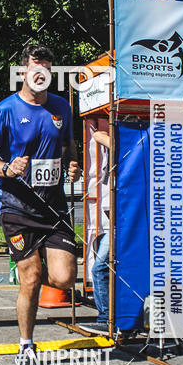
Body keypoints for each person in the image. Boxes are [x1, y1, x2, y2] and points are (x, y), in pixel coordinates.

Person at [0, 43, 81, 365]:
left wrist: (73, 163)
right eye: (36, 69)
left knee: (64, 278)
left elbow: (69, 145)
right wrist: (6, 168)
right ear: (23, 72)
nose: (41, 75)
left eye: (47, 70)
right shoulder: (5, 110)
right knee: (32, 279)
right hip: (16, 206)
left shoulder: (61, 108)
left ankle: (26, 271)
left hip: (53, 208)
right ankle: (26, 345)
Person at [81, 130, 110, 335]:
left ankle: (106, 318)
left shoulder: (128, 146)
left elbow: (100, 135)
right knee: (102, 264)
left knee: (100, 268)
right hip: (118, 219)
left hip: (124, 222)